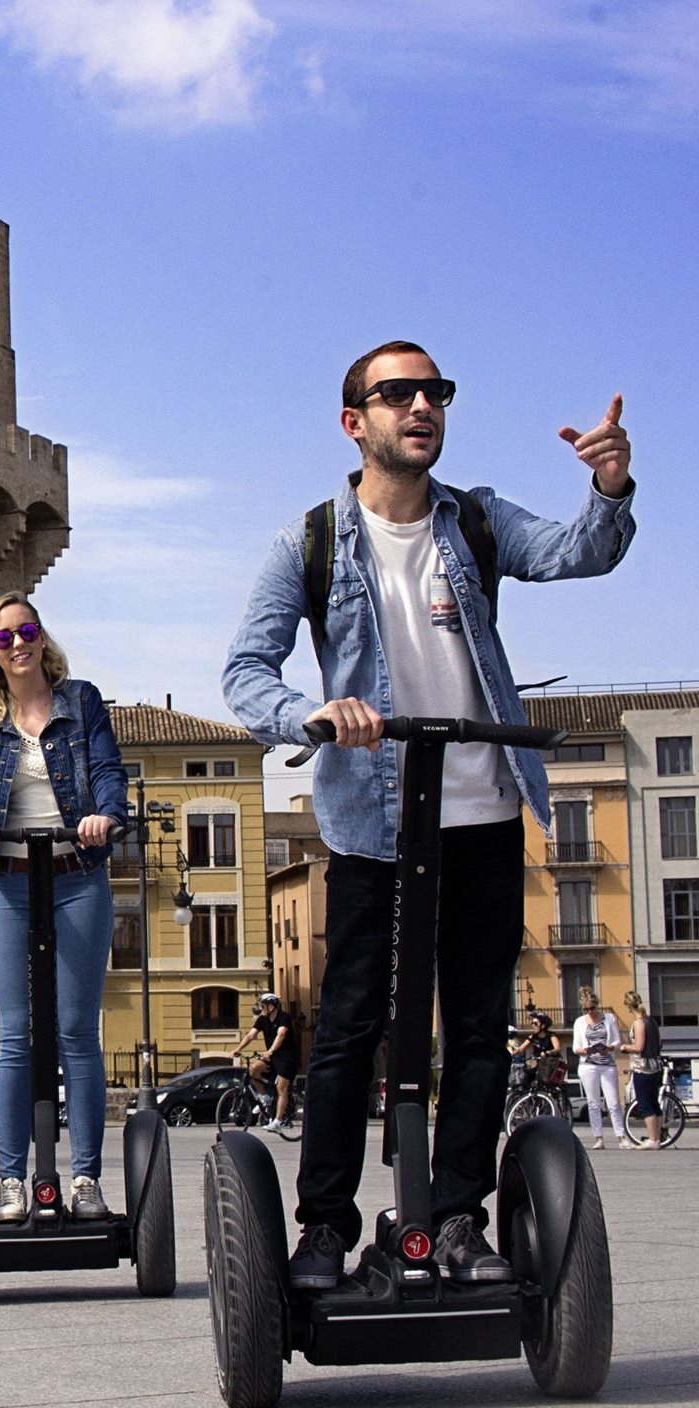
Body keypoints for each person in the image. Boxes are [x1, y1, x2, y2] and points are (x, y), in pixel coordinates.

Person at [223, 339, 636, 1289]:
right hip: (371, 825)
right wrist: (313, 714)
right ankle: (324, 1228)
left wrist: (610, 490)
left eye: (435, 392)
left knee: (481, 1025)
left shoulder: (480, 522)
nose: (422, 406)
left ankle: (455, 1218)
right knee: (351, 1024)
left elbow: (579, 553)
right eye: (398, 393)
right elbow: (247, 670)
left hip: (484, 808)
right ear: (354, 421)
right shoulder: (312, 541)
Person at [0, 592, 128, 1222]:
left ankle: (85, 1182)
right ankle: (10, 1183)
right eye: (3, 638)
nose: (17, 644)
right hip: (11, 879)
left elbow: (107, 770)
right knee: (17, 1037)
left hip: (77, 874)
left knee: (77, 1033)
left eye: (27, 632)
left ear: (42, 638)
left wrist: (106, 815)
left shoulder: (82, 702)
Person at [231, 993, 301, 1130]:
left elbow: (281, 1035)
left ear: (271, 1006)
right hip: (272, 1057)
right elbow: (251, 1035)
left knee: (281, 1087)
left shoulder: (283, 1017)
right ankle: (264, 1097)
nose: (261, 1008)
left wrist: (271, 1051)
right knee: (253, 1069)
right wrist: (237, 1049)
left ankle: (278, 1122)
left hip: (287, 1058)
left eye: (263, 1005)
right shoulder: (262, 1019)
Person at [574, 989, 625, 1150]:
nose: (589, 1012)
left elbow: (617, 1040)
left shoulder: (609, 1018)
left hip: (607, 1064)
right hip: (588, 1064)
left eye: (592, 1008)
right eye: (586, 1009)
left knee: (614, 1102)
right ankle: (598, 1137)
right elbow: (576, 1047)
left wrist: (609, 1047)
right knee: (593, 1103)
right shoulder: (580, 1022)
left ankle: (621, 1136)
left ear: (597, 1006)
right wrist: (585, 1050)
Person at [620, 990, 665, 1150]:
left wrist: (626, 1047)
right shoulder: (652, 1021)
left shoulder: (639, 1023)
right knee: (654, 1103)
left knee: (645, 1103)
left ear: (628, 1006)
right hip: (656, 1065)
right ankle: (657, 1137)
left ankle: (653, 1139)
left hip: (642, 1067)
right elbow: (658, 1043)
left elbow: (639, 1046)